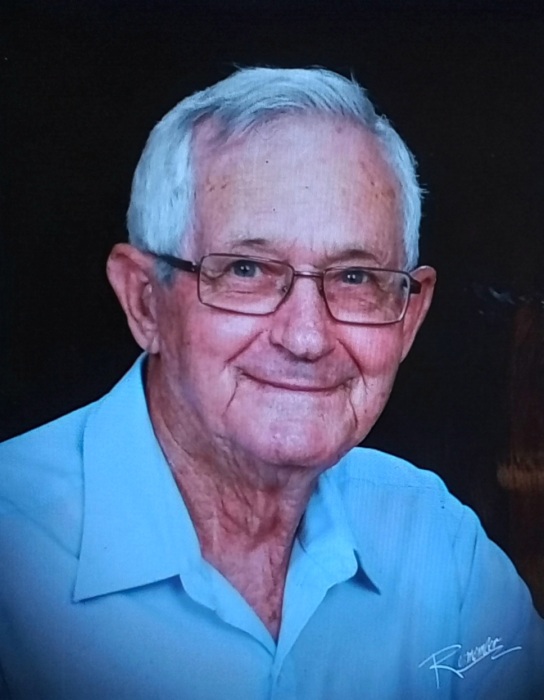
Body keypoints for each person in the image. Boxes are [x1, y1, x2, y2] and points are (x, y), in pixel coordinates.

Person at [0, 67, 542, 700]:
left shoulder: (438, 543)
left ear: (409, 317)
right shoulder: (15, 548)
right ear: (146, 301)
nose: (306, 337)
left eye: (356, 278)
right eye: (246, 270)